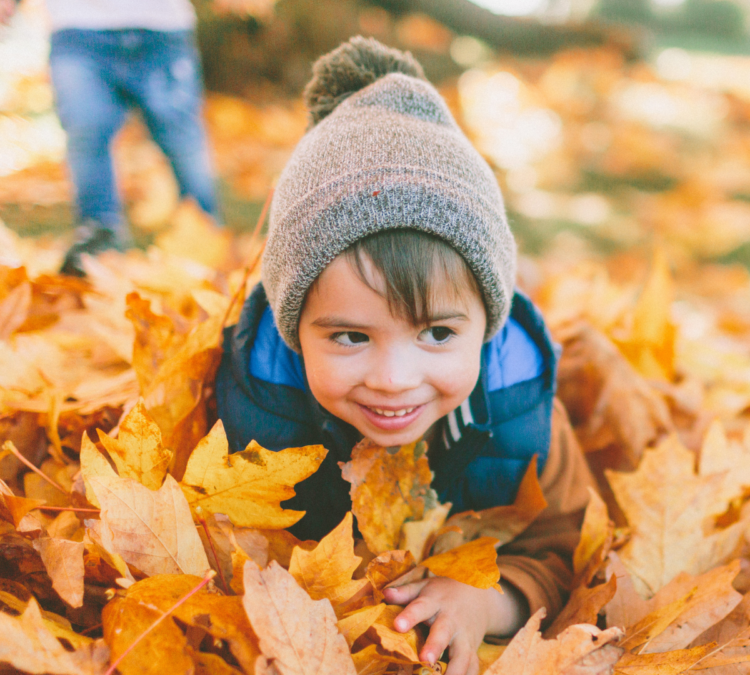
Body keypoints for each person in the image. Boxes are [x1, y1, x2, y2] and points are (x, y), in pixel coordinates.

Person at [214, 36, 594, 675]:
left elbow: (563, 550)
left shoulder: (520, 412)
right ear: (292, 328)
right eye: (349, 337)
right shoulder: (253, 411)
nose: (393, 380)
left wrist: (488, 600)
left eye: (438, 335)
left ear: (487, 324)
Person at [1, 0, 221, 275]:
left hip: (161, 27)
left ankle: (207, 231)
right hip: (77, 28)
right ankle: (99, 239)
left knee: (181, 139)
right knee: (87, 132)